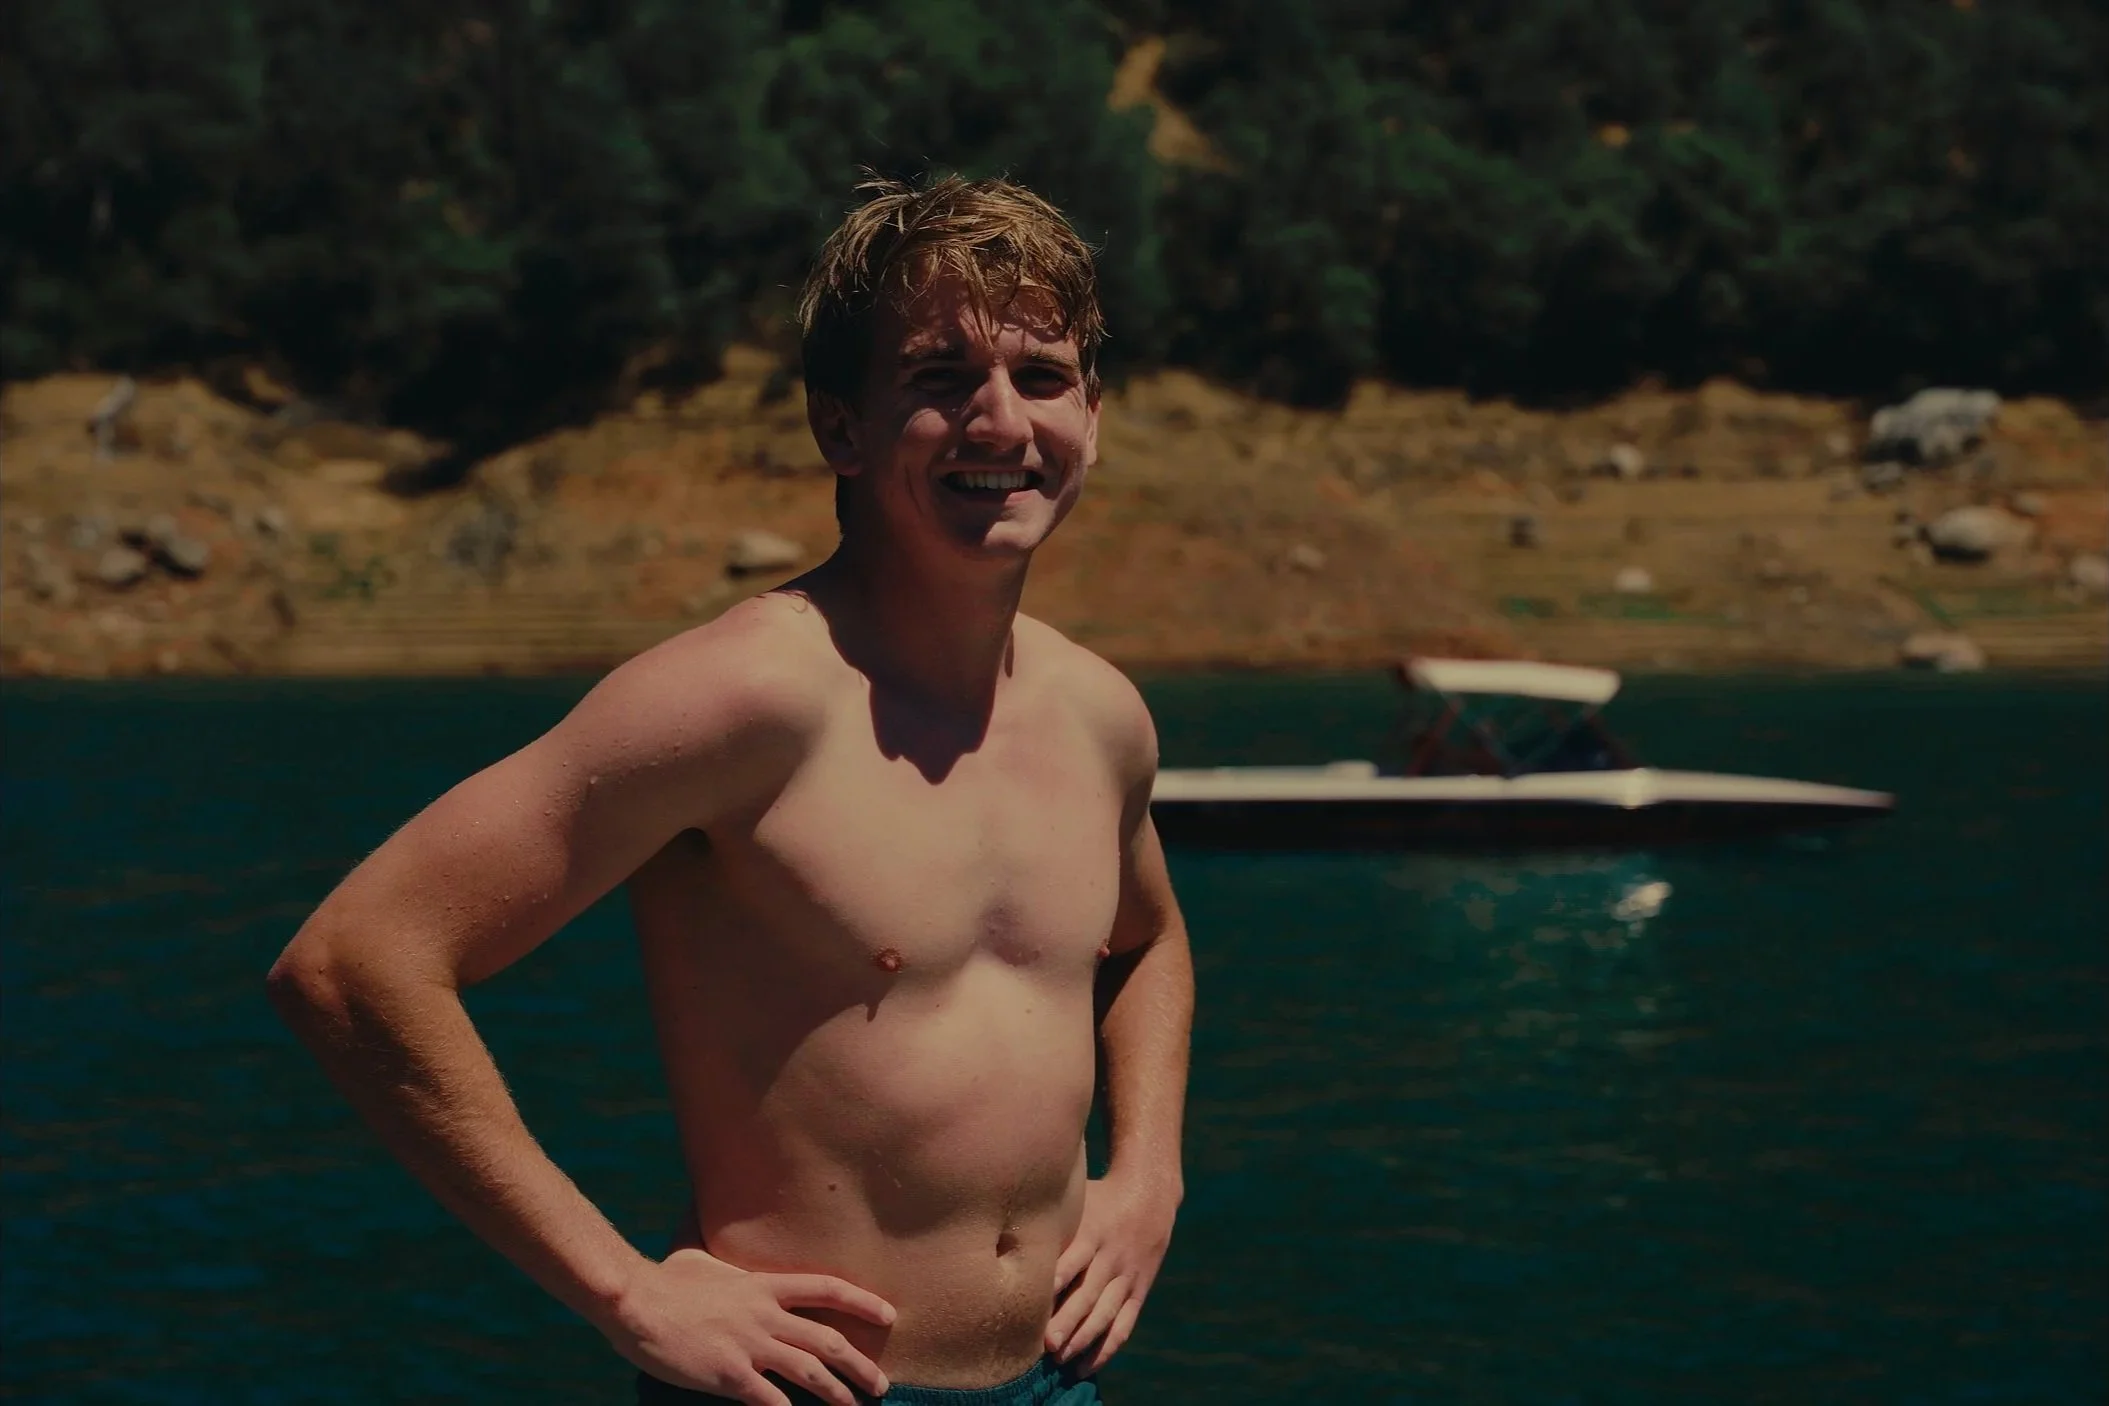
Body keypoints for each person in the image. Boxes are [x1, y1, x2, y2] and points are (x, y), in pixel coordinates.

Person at [267, 174, 1193, 1406]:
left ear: (1094, 414)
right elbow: (354, 961)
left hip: (1056, 1380)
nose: (999, 420)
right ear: (841, 427)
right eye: (939, 378)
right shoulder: (742, 700)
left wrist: (1149, 1174)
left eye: (1041, 375)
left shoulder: (1098, 716)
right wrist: (625, 1291)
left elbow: (1148, 941)